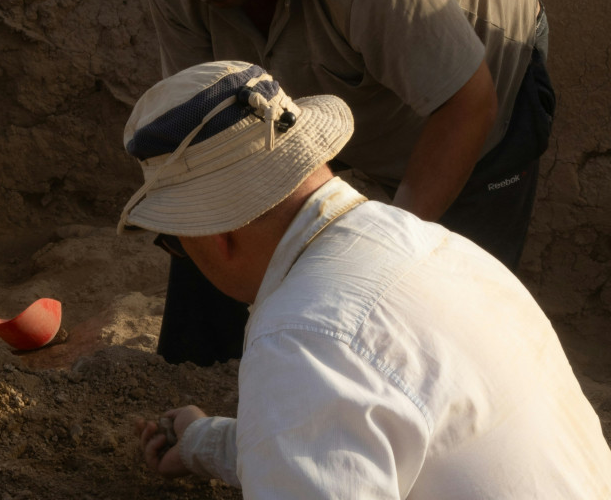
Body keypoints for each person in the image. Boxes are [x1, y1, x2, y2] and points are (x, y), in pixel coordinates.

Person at [121, 61, 611, 497]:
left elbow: (328, 391)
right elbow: (363, 428)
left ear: (216, 235)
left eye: (175, 241)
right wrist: (205, 443)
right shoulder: (435, 247)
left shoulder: (300, 338)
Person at [121, 0, 556, 366]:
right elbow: (201, 139)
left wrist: (380, 257)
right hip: (319, 83)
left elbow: (468, 104)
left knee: (447, 306)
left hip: (476, 84)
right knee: (214, 209)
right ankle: (194, 375)